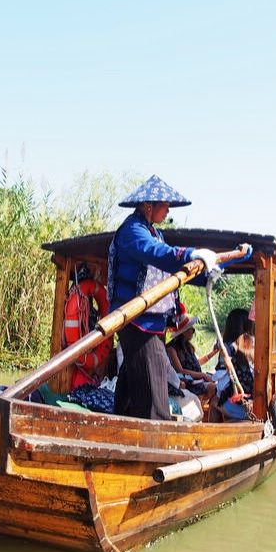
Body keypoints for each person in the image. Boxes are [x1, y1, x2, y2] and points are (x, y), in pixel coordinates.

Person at [107, 175, 222, 421]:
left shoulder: (156, 233)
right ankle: (155, 434)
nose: (168, 209)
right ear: (148, 205)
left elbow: (172, 269)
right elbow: (159, 254)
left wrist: (206, 275)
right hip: (135, 320)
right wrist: (190, 253)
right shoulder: (132, 231)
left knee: (133, 378)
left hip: (152, 324)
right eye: (165, 204)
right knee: (153, 382)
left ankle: (120, 423)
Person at [165, 313, 217, 412]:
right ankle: (197, 410)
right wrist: (203, 375)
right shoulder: (172, 348)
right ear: (184, 332)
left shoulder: (189, 347)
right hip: (186, 381)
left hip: (197, 379)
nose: (193, 332)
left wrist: (213, 353)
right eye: (191, 329)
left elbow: (196, 363)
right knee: (210, 387)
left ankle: (199, 409)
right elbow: (180, 370)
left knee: (215, 387)